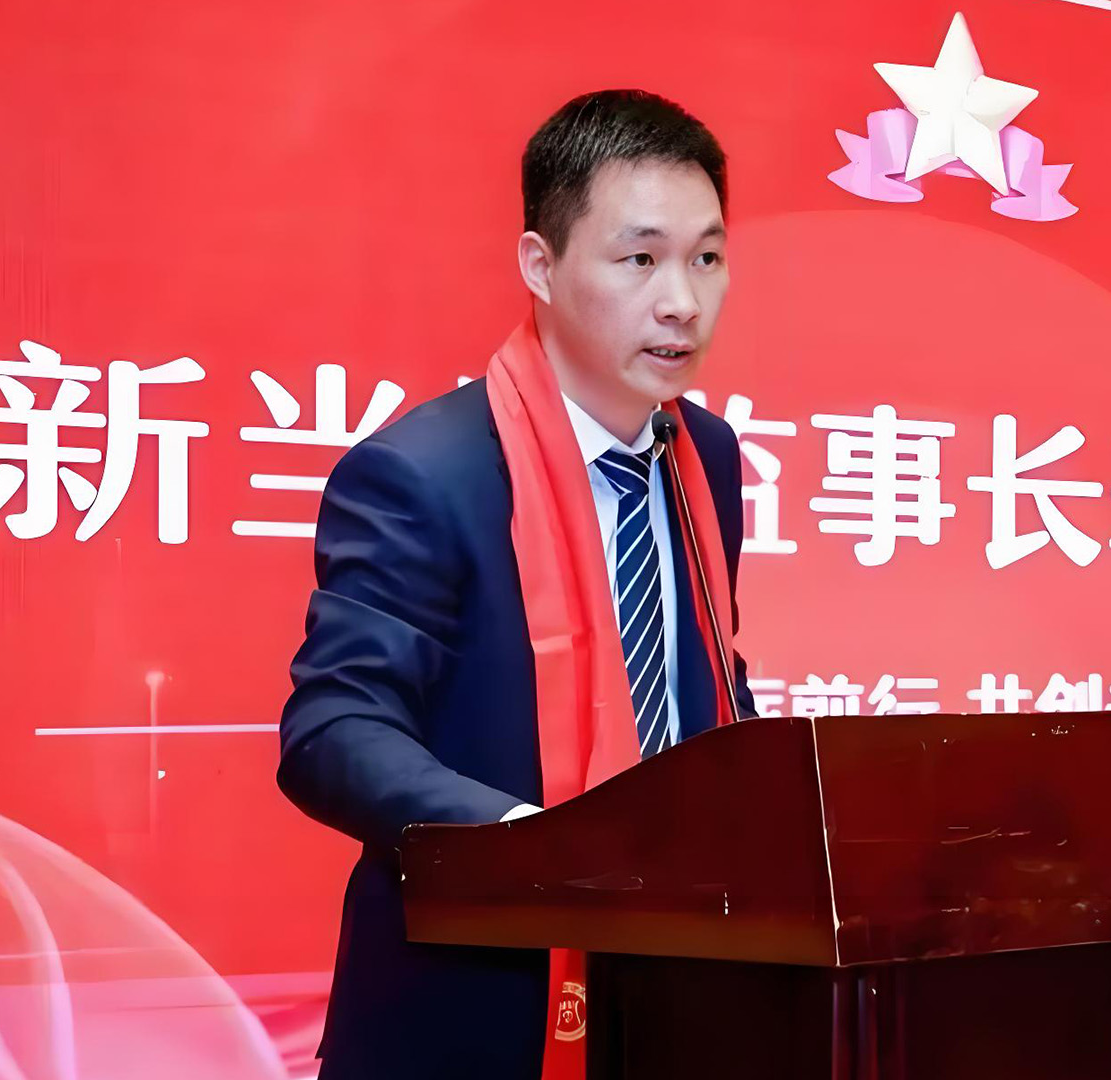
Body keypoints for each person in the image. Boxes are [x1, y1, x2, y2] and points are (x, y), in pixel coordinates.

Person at [276, 89, 758, 1079]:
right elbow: (333, 730)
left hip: (677, 992)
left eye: (706, 258)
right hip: (474, 1010)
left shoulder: (704, 456)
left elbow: (704, 682)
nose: (683, 301)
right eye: (641, 259)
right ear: (540, 266)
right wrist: (529, 847)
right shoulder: (425, 475)